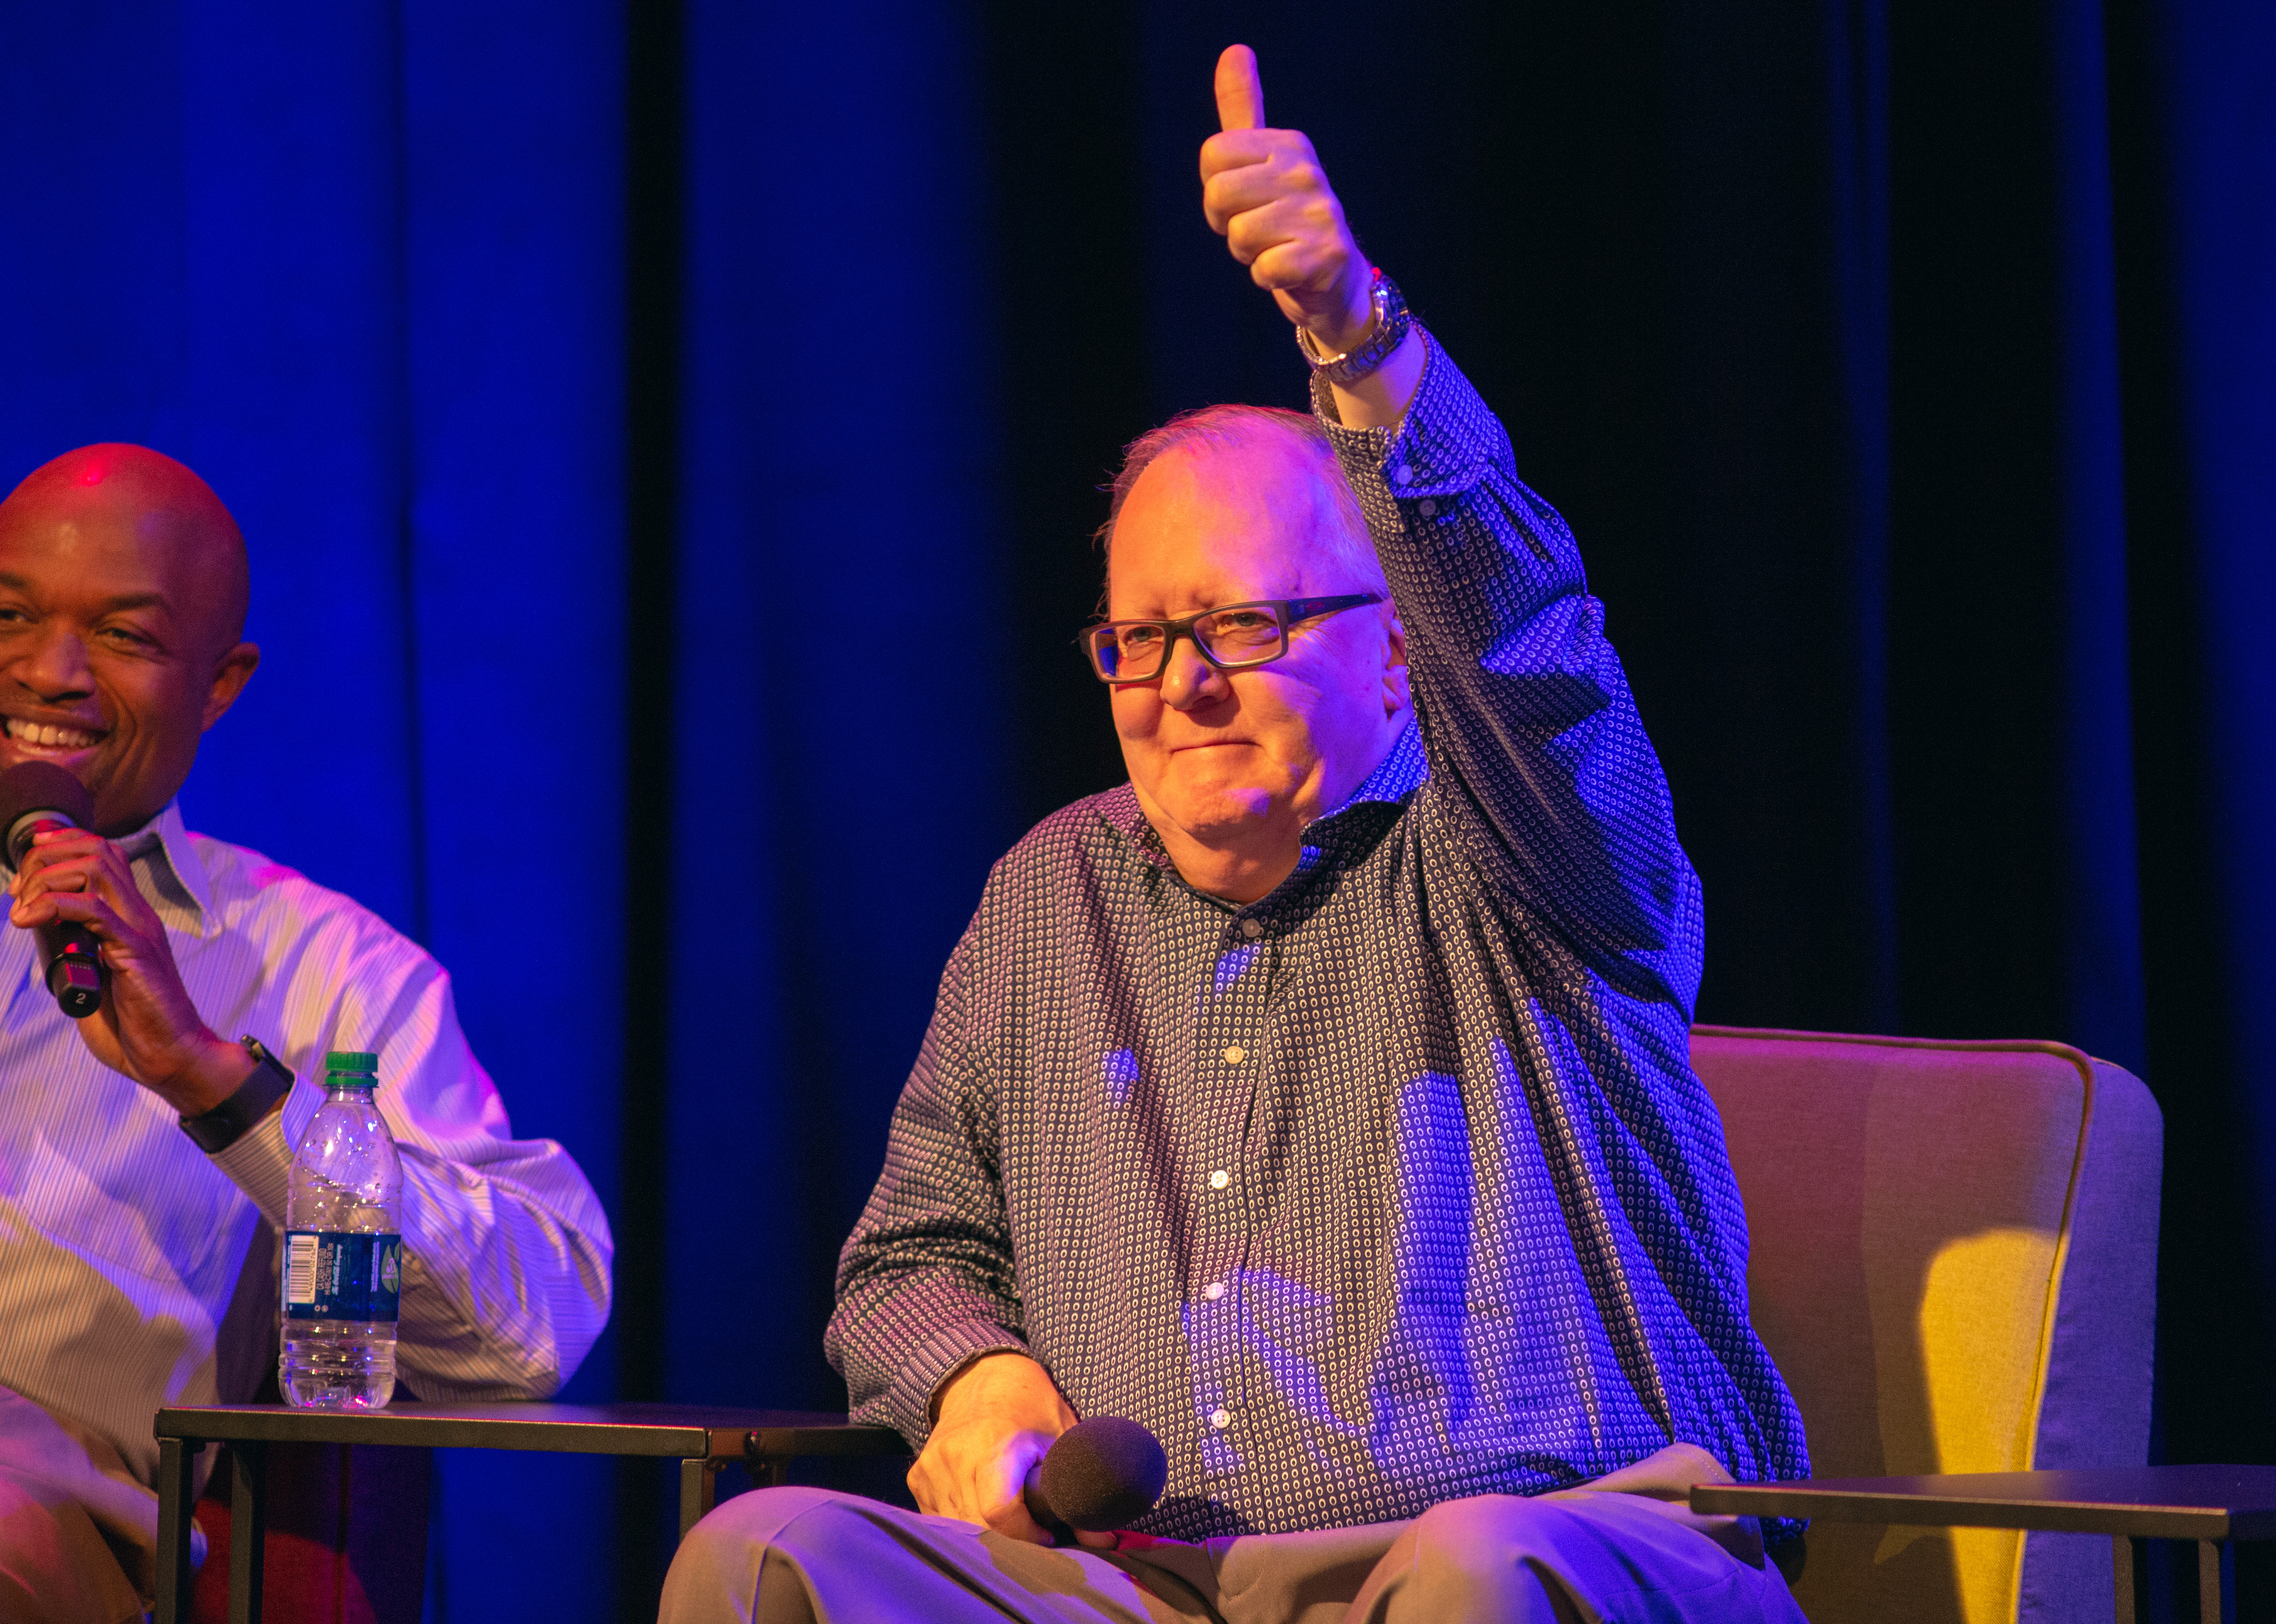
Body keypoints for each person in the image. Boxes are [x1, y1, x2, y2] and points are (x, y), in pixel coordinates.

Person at [661, 43, 1807, 1624]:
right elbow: (909, 1251)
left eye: (1248, 624)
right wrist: (972, 1377)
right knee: (771, 1552)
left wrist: (1360, 339)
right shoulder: (1050, 895)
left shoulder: (1531, 848)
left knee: (1477, 1563)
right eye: (1140, 639)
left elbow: (1530, 648)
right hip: (1165, 1586)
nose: (1184, 684)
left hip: (1569, 1547)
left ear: (1398, 646)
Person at [0, 444, 613, 1623]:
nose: (50, 672)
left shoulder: (325, 972)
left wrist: (215, 1082)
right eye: (10, 616)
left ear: (221, 683)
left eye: (124, 636)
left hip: (52, 1525)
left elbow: (534, 1327)